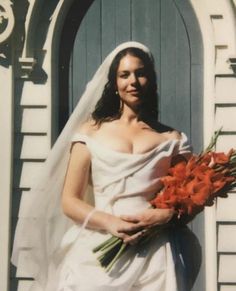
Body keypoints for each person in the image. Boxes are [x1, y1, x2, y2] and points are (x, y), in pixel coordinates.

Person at [12, 42, 192, 291]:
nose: (133, 82)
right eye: (124, 75)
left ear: (151, 80)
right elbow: (70, 200)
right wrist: (110, 223)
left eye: (141, 73)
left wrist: (167, 215)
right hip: (99, 251)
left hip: (154, 254)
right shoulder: (90, 133)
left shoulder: (172, 139)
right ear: (114, 83)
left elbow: (187, 200)